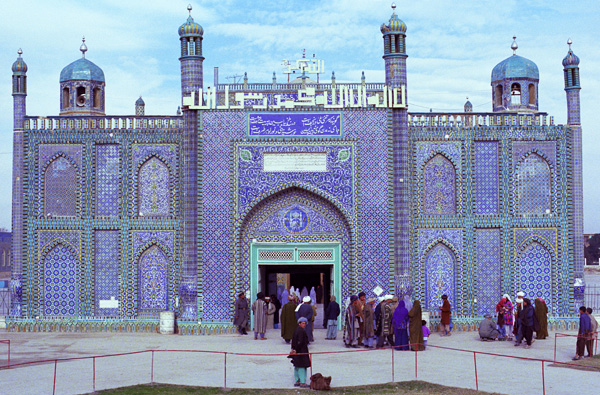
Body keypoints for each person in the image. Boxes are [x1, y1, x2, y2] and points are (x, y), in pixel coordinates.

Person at [289, 317, 311, 388]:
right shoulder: (301, 331)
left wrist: (293, 349)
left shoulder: (296, 330)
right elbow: (300, 342)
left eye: (305, 323)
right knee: (302, 367)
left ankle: (297, 381)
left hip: (297, 351)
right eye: (303, 323)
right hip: (301, 352)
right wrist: (296, 349)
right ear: (299, 323)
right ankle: (302, 382)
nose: (304, 325)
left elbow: (293, 341)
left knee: (297, 366)